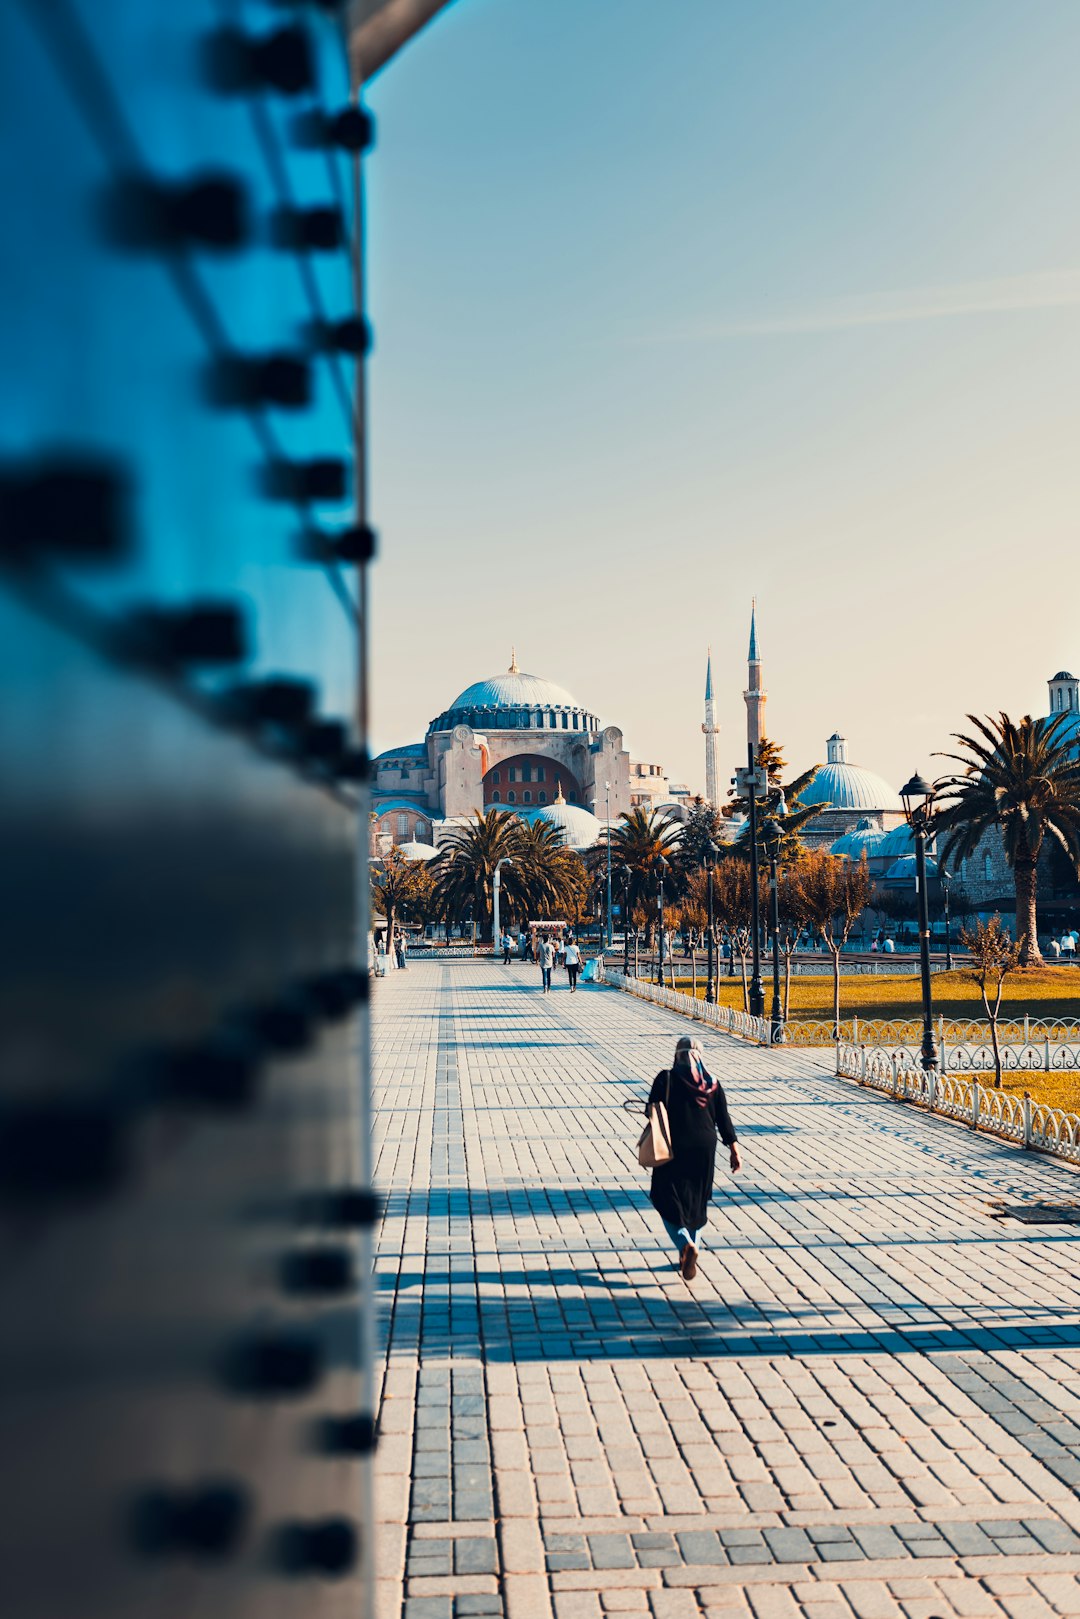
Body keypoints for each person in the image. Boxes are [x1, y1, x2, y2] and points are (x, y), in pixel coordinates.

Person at [645, 1035, 740, 1282]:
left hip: (674, 1148)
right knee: (698, 1201)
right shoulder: (712, 1083)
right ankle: (691, 1250)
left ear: (677, 1055)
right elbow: (723, 1118)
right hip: (705, 1148)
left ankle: (685, 1244)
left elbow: (651, 1110)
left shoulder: (666, 1078)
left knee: (664, 1197)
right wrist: (733, 1149)